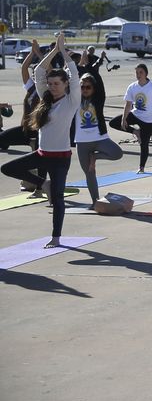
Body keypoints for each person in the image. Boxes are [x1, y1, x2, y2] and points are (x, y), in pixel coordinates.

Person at [0, 34, 81, 247]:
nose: (53, 86)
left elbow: (73, 72)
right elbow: (38, 72)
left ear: (65, 85)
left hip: (61, 158)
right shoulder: (45, 99)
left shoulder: (72, 101)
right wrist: (53, 51)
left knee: (58, 199)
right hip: (42, 154)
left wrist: (63, 49)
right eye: (51, 83)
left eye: (57, 83)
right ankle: (42, 183)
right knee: (7, 169)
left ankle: (56, 238)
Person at [73, 71, 124, 204]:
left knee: (117, 153)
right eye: (82, 87)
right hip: (82, 142)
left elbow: (100, 84)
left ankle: (95, 156)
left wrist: (90, 66)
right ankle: (95, 202)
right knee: (89, 173)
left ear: (93, 88)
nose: (84, 90)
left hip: (99, 138)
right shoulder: (75, 101)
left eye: (88, 87)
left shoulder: (98, 99)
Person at [110, 63, 152, 173]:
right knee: (114, 123)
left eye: (141, 72)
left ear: (146, 73)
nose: (138, 74)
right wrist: (124, 118)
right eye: (137, 72)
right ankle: (136, 132)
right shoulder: (132, 87)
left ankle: (142, 167)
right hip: (136, 114)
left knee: (144, 144)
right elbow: (128, 104)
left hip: (148, 120)